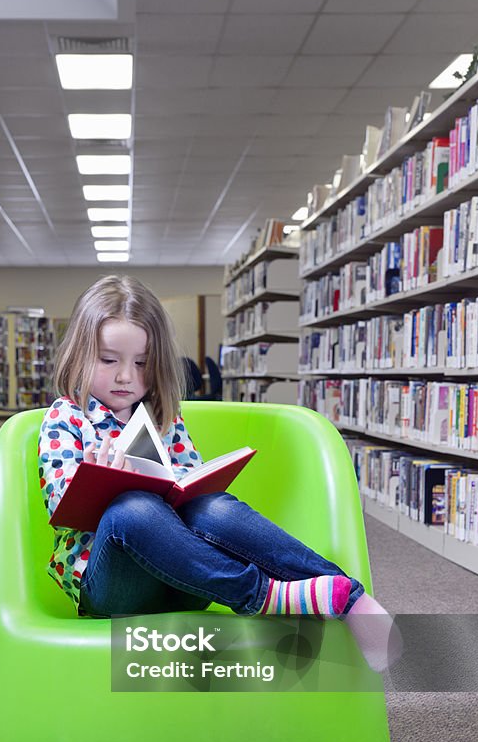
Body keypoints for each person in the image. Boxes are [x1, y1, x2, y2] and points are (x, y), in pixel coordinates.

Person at [38, 275, 401, 671]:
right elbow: (60, 503)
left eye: (141, 363)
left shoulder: (163, 417)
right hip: (113, 587)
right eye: (109, 360)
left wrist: (180, 486)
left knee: (212, 507)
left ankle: (351, 600)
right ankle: (262, 596)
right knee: (132, 509)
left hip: (187, 580)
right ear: (79, 354)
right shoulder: (67, 416)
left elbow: (190, 486)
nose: (126, 376)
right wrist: (102, 482)